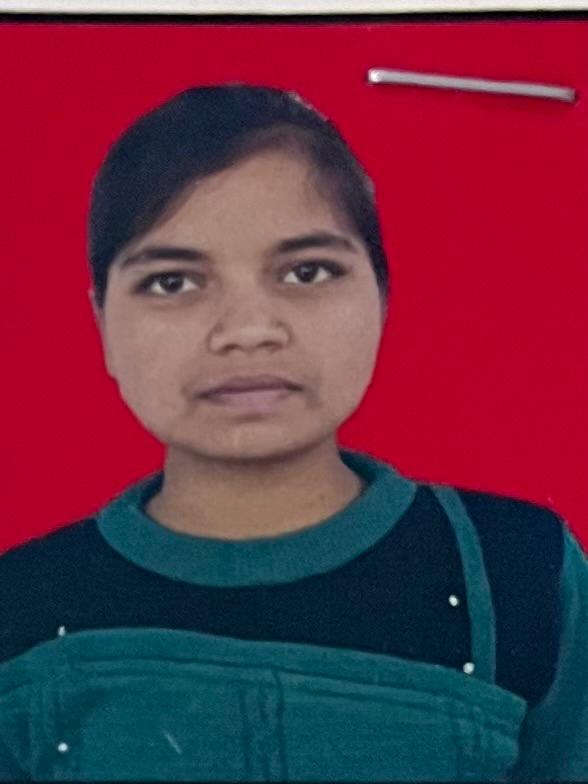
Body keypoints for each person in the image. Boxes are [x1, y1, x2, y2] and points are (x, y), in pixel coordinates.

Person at [0, 84, 586, 782]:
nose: (248, 331)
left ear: (382, 294)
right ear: (101, 318)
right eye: (173, 282)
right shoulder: (21, 603)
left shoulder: (519, 570)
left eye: (307, 272)